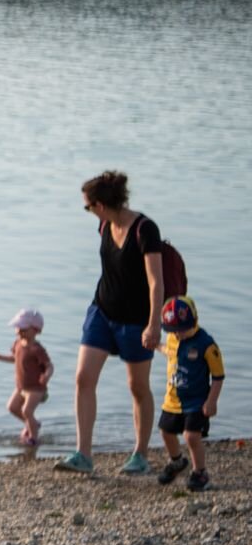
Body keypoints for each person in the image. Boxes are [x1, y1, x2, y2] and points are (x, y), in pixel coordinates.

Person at [62, 171, 164, 476]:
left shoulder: (145, 230)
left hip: (136, 321)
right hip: (102, 312)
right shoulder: (105, 225)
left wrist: (154, 324)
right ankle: (83, 454)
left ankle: (140, 455)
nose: (89, 211)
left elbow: (156, 282)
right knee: (83, 378)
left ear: (102, 204)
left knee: (137, 387)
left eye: (88, 206)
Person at [156, 296, 224, 493]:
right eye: (173, 330)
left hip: (197, 401)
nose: (178, 334)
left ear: (194, 321)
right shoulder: (172, 339)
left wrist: (212, 401)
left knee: (191, 436)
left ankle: (199, 472)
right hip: (172, 399)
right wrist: (155, 345)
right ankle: (177, 462)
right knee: (166, 431)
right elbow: (168, 351)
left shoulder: (206, 344)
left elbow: (218, 376)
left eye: (182, 329)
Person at [0, 309, 52, 444]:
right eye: (17, 327)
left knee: (27, 411)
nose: (19, 331)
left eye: (23, 328)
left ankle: (33, 438)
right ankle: (33, 424)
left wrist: (46, 376)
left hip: (35, 388)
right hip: (21, 387)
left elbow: (50, 366)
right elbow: (15, 358)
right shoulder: (17, 344)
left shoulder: (37, 349)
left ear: (36, 330)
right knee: (12, 407)